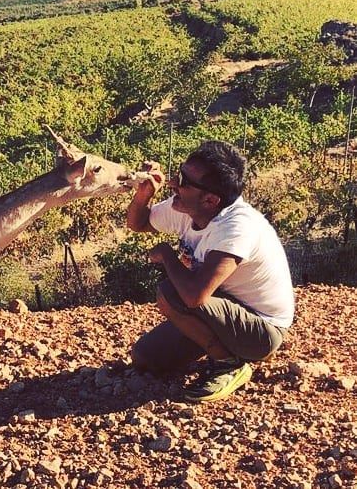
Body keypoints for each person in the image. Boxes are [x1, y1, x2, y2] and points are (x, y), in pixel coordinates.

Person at [126, 141, 294, 402]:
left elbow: (195, 297)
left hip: (262, 329)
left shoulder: (236, 228)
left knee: (171, 293)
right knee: (146, 357)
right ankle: (225, 346)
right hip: (223, 311)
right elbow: (140, 223)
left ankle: (229, 363)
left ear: (211, 199)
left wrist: (167, 255)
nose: (173, 184)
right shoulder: (189, 207)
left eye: (183, 180)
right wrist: (144, 195)